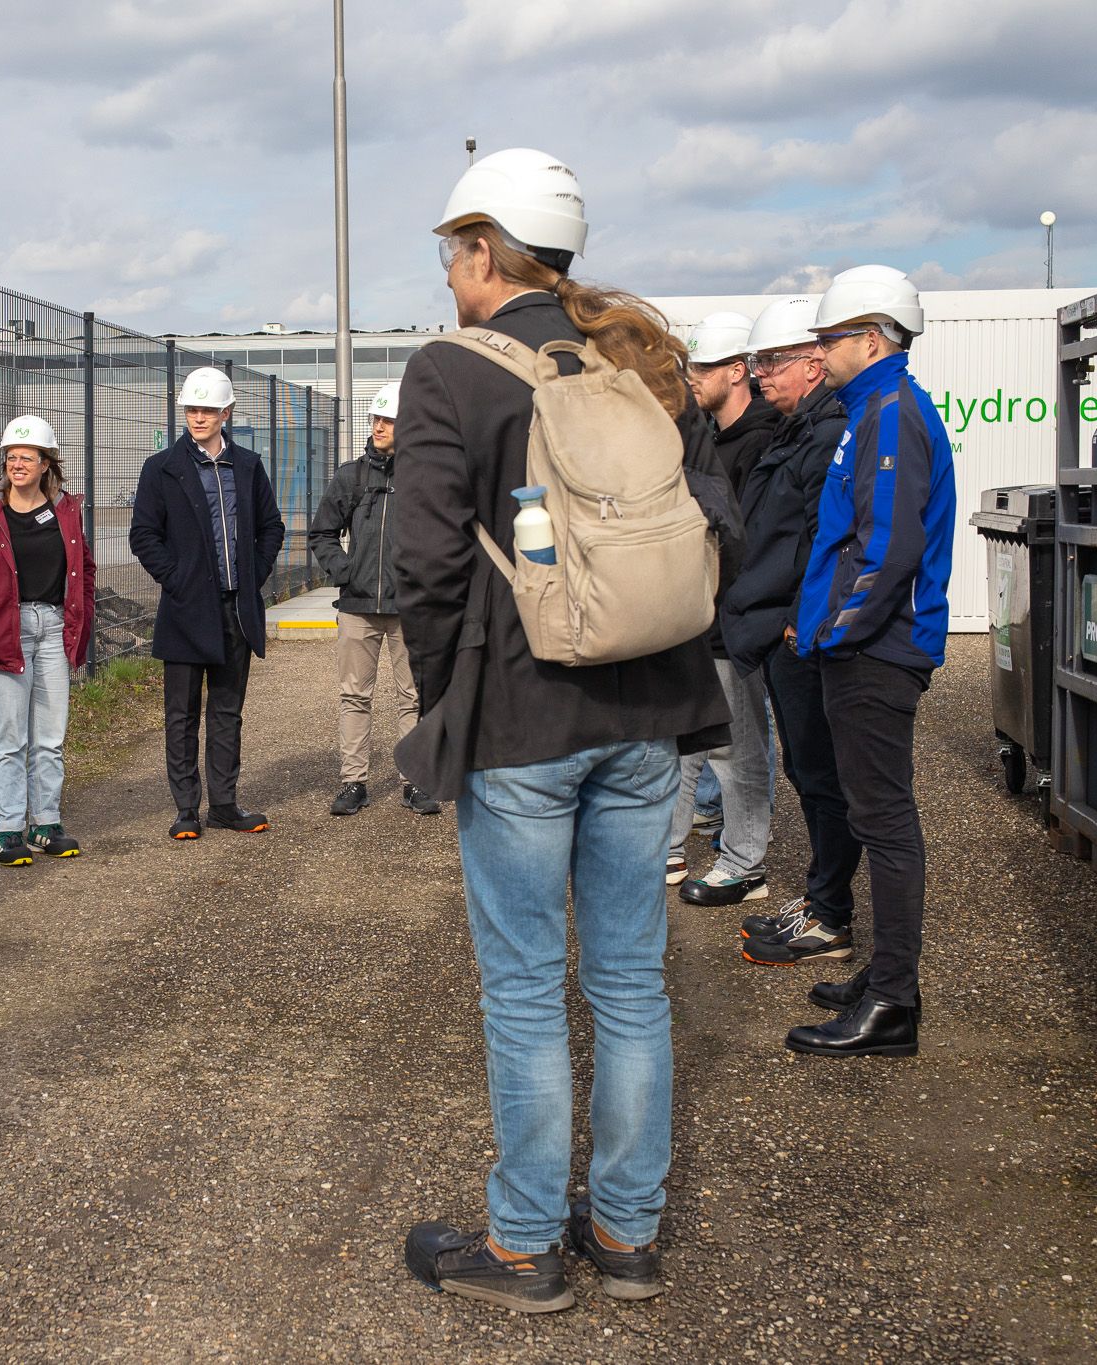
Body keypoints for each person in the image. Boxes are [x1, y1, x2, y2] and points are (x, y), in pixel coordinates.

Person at [393, 149, 741, 1313]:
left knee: (528, 986)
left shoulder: (450, 369)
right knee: (634, 983)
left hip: (521, 719)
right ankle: (627, 1236)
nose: (450, 273)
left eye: (454, 252)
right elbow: (713, 524)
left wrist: (446, 699)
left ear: (484, 248)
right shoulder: (636, 359)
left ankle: (523, 1247)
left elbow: (428, 562)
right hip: (649, 713)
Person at [782, 266, 954, 1058]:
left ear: (874, 338)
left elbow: (888, 549)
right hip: (866, 646)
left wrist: (832, 631)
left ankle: (891, 1003)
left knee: (884, 822)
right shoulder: (873, 409)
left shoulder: (890, 413)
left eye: (831, 338)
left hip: (875, 652)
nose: (821, 351)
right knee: (870, 813)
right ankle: (887, 980)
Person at [720, 296, 861, 968]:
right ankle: (822, 900)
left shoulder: (829, 432)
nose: (761, 373)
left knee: (823, 775)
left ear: (812, 363)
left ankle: (832, 917)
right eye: (756, 362)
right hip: (783, 633)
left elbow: (819, 544)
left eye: (772, 361)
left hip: (799, 639)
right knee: (807, 772)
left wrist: (791, 625)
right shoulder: (793, 428)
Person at [128, 366, 286, 840]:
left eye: (208, 409)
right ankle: (185, 809)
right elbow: (144, 535)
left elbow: (271, 527)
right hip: (184, 608)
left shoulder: (248, 466)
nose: (199, 417)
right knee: (181, 713)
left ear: (227, 412)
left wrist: (252, 576)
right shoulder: (162, 468)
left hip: (236, 609)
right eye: (192, 409)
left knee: (226, 710)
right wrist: (178, 580)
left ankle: (224, 804)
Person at [664, 312, 781, 901]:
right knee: (685, 740)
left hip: (732, 620)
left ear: (737, 371)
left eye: (702, 367)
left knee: (738, 748)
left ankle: (746, 862)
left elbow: (749, 540)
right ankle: (670, 848)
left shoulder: (761, 442)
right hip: (696, 617)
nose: (692, 378)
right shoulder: (710, 438)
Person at [0, 415, 96, 866]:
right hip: (6, 631)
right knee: (10, 738)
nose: (17, 464)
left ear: (46, 463)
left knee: (49, 738)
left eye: (26, 458)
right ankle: (9, 828)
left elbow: (84, 568)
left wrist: (81, 612)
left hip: (53, 627)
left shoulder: (67, 509)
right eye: (11, 457)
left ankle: (46, 824)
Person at [307, 380, 442, 818]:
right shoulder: (351, 476)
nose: (379, 426)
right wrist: (345, 572)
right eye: (376, 418)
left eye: (389, 419)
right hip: (357, 607)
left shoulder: (426, 478)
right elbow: (322, 533)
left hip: (411, 610)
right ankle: (354, 783)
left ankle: (415, 782)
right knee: (354, 696)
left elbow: (447, 537)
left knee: (414, 697)